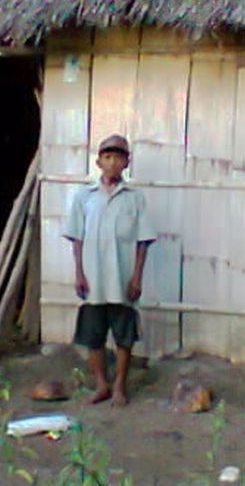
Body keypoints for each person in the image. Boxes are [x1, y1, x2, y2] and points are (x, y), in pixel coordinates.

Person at [63, 134, 156, 406]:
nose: (113, 162)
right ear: (98, 161)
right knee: (93, 336)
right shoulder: (85, 197)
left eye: (119, 157)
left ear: (127, 162)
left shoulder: (135, 199)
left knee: (124, 336)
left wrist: (137, 277)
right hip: (93, 280)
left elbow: (143, 241)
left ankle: (119, 387)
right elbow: (77, 238)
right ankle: (101, 385)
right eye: (107, 157)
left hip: (123, 278)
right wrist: (79, 273)